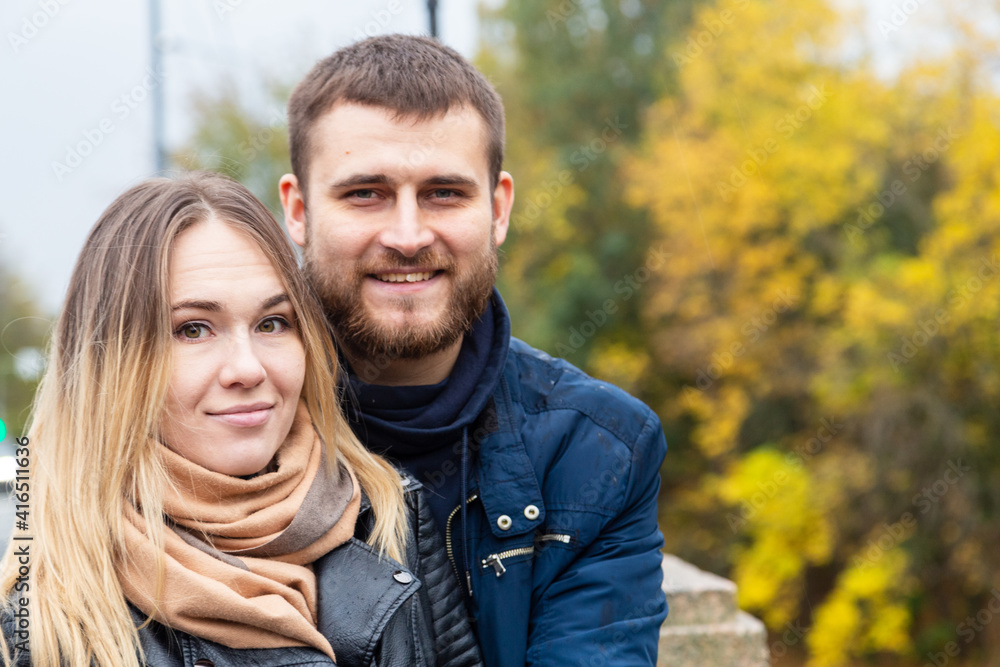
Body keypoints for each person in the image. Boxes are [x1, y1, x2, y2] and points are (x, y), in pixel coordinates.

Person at [278, 35, 669, 666]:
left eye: (444, 193)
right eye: (365, 194)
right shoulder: (222, 428)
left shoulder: (598, 452)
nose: (407, 236)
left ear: (498, 207)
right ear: (298, 211)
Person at [0, 172, 480, 666]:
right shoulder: (41, 621)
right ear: (112, 362)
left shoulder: (388, 513)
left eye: (272, 323)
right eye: (193, 329)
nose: (248, 369)